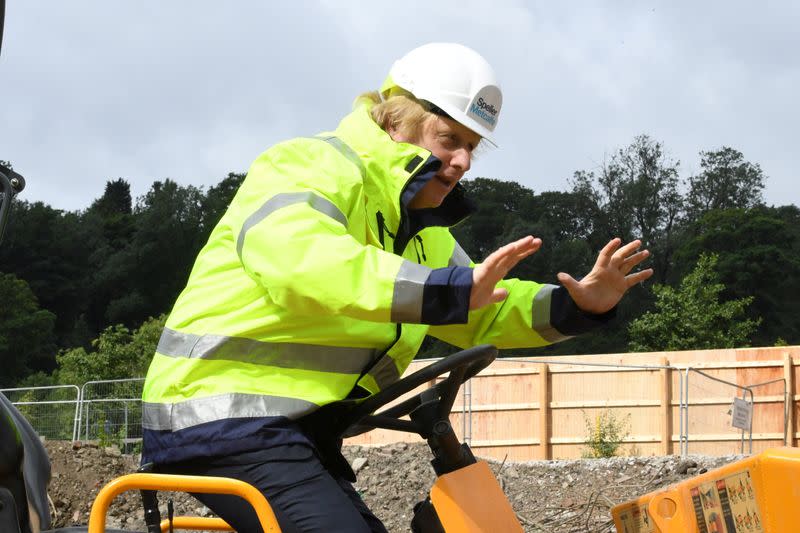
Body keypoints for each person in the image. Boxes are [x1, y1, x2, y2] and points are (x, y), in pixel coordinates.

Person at [140, 42, 653, 532]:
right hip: (219, 418)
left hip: (298, 431)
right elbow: (305, 265)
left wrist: (578, 304)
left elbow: (485, 309)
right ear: (397, 118)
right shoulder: (309, 165)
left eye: (472, 147)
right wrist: (448, 290)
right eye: (449, 139)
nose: (464, 162)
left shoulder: (425, 236)